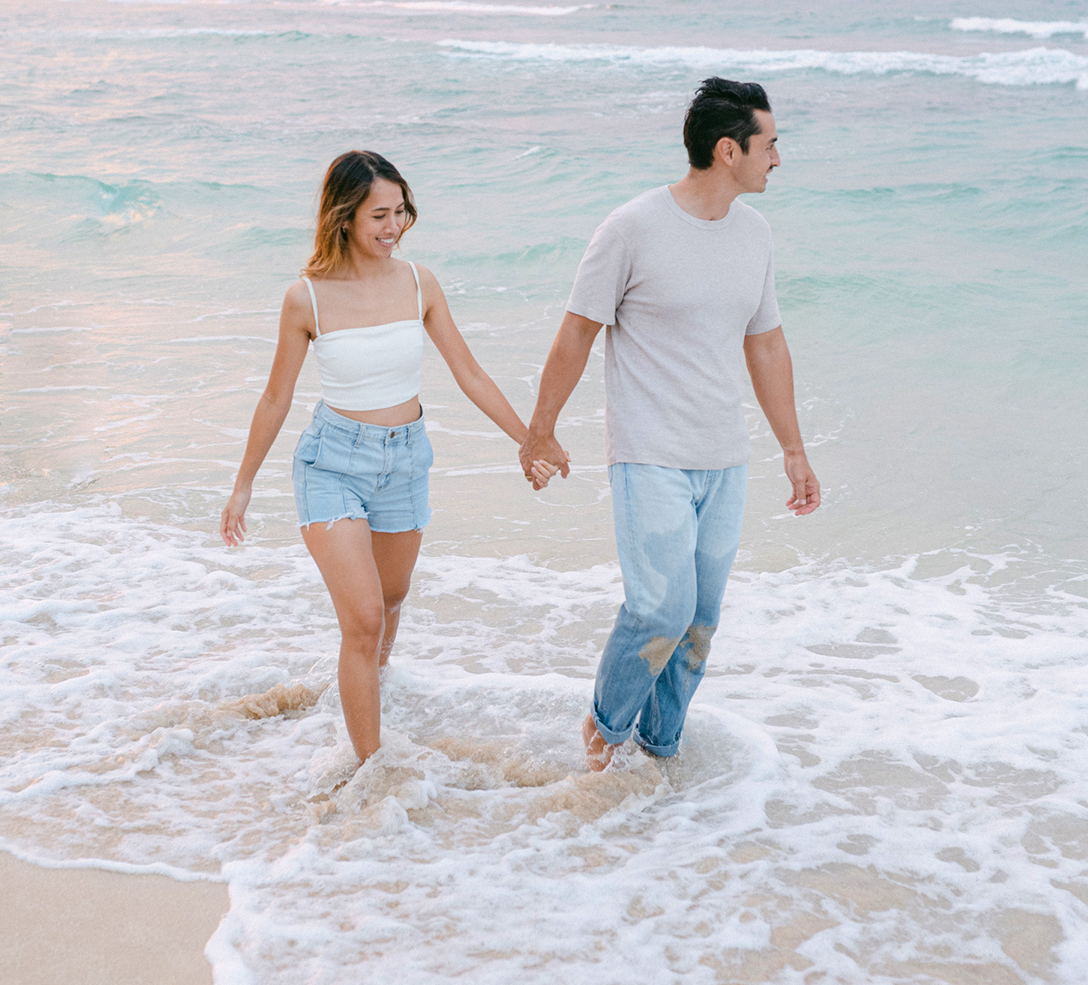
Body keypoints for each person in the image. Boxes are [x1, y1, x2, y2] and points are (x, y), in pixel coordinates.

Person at [520, 77, 820, 771]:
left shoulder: (754, 234)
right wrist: (542, 430)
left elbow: (766, 342)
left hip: (723, 457)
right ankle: (602, 735)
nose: (777, 159)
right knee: (660, 610)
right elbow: (576, 333)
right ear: (728, 150)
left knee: (699, 626)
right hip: (649, 452)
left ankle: (660, 755)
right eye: (769, 145)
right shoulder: (631, 228)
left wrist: (793, 451)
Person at [221, 150, 558, 765]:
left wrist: (529, 438)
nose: (393, 226)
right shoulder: (307, 299)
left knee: (392, 600)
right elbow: (276, 397)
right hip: (331, 463)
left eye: (401, 212)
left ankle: (362, 689)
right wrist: (243, 484)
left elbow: (470, 372)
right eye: (380, 214)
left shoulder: (418, 282)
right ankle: (371, 766)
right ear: (344, 216)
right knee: (366, 618)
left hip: (405, 461)